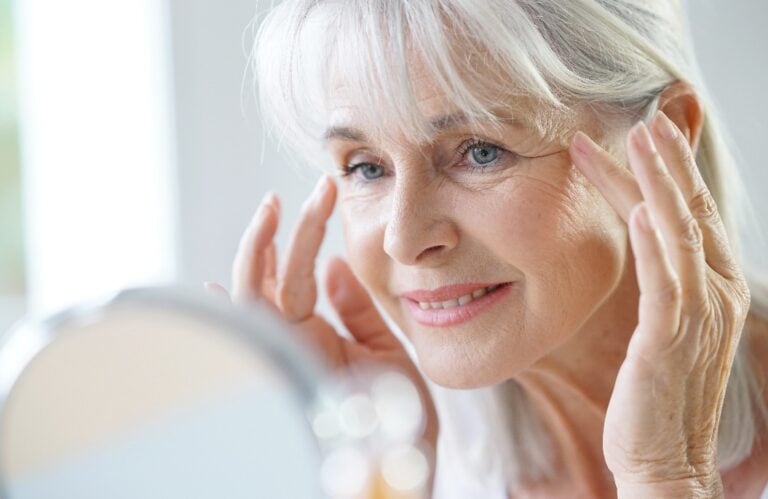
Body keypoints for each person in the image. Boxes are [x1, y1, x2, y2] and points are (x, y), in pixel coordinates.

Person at [212, 1, 768, 497]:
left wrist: (668, 478)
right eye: (367, 166)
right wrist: (379, 472)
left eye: (480, 152)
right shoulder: (404, 446)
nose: (403, 239)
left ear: (664, 137)